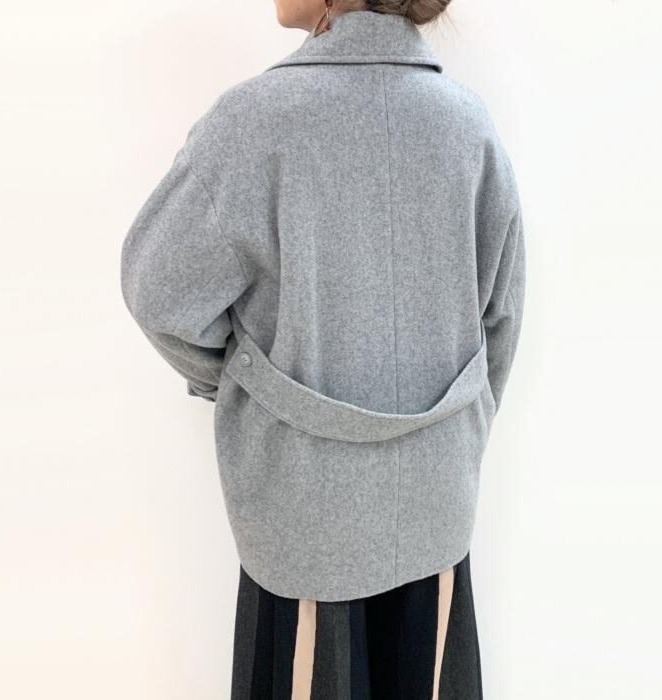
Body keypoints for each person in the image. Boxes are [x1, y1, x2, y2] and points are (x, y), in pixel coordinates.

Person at [120, 1, 526, 697]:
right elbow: (500, 324)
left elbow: (158, 291)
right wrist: (439, 438)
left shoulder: (254, 123)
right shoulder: (469, 126)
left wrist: (245, 381)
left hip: (303, 519)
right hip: (434, 515)